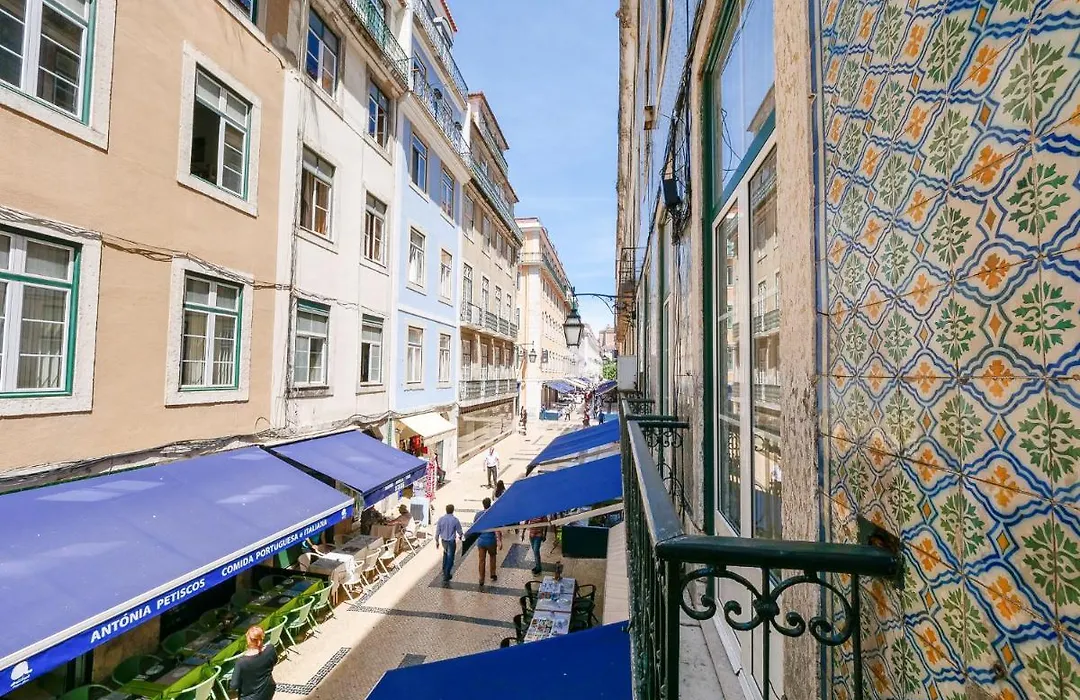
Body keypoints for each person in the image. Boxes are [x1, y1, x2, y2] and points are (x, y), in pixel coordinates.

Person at [230, 627, 277, 700]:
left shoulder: (241, 662)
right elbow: (275, 661)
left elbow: (233, 686)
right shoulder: (270, 649)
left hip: (250, 697)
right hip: (268, 690)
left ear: (248, 640)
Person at [434, 504, 463, 583]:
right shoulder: (455, 520)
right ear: (453, 510)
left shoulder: (441, 519)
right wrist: (461, 536)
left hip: (443, 541)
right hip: (451, 542)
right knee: (450, 558)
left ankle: (444, 570)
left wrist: (437, 541)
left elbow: (437, 531)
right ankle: (447, 574)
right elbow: (459, 531)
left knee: (445, 555)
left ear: (446, 510)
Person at [475, 497, 499, 587]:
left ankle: (481, 578)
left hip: (481, 541)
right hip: (491, 540)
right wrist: (499, 540)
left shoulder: (478, 514)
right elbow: (497, 528)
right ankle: (492, 573)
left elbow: (475, 526)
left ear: (483, 505)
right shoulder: (493, 515)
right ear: (490, 504)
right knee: (492, 556)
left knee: (481, 560)